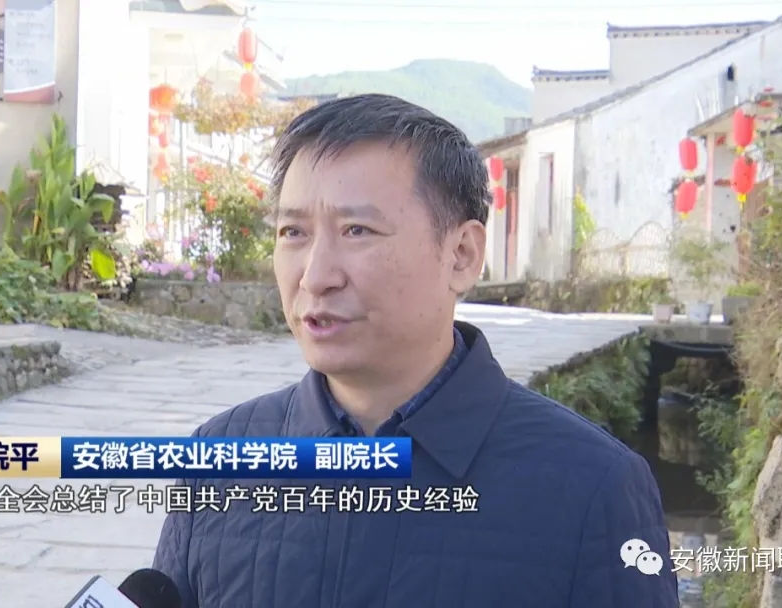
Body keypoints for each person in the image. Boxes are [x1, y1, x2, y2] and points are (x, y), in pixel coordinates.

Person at [152, 93, 679, 607]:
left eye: (357, 230)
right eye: (293, 232)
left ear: (462, 255)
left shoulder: (593, 486)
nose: (315, 276)